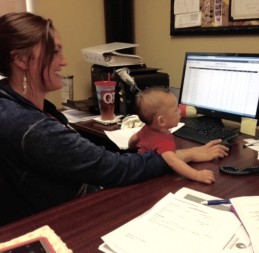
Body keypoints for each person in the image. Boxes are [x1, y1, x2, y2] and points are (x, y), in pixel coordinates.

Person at [0, 12, 228, 223]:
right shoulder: (31, 127)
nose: (64, 61)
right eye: (55, 51)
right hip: (62, 221)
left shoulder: (10, 100)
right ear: (20, 59)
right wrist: (184, 155)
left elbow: (89, 157)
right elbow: (116, 169)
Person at [129, 88, 229, 184]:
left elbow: (134, 138)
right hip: (150, 175)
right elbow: (173, 162)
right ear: (162, 121)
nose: (180, 111)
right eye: (176, 110)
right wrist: (196, 175)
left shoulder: (146, 128)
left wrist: (132, 148)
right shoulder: (163, 141)